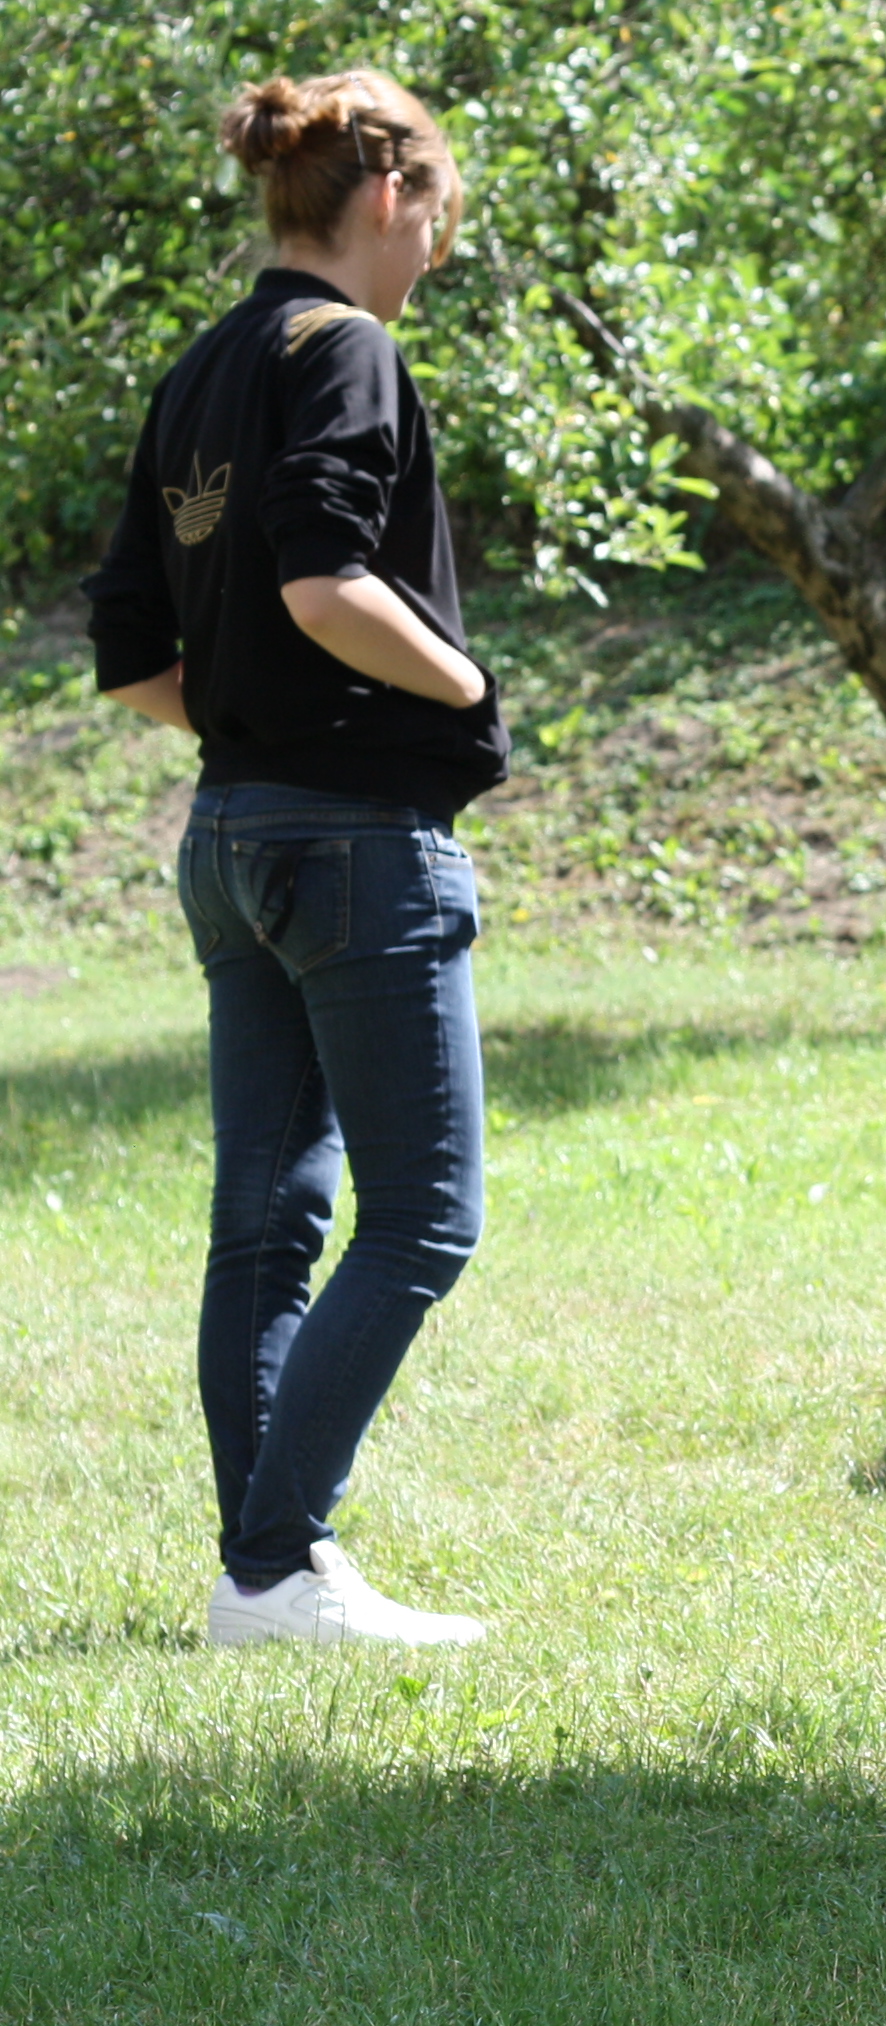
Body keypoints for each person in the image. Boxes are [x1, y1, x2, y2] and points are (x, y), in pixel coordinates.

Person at [86, 72, 505, 1651]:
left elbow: (131, 650)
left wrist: (255, 726)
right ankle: (272, 1566)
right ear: (390, 196)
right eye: (438, 225)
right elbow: (326, 583)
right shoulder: (348, 349)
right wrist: (462, 683)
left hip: (231, 835)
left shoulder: (201, 368)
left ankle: (268, 1578)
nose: (433, 261)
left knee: (264, 1224)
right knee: (423, 1218)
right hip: (352, 842)